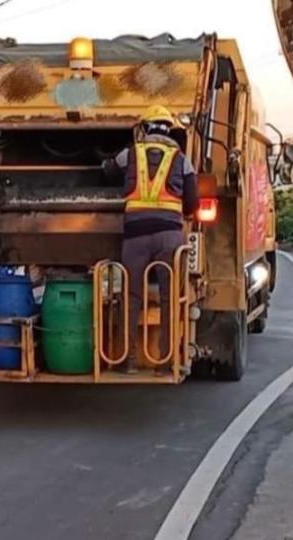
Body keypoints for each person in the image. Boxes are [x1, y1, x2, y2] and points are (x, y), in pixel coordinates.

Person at [105, 105, 199, 374]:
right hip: (169, 237)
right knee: (171, 298)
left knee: (131, 296)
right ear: (169, 129)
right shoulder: (182, 159)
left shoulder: (130, 153)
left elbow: (109, 172)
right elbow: (192, 202)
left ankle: (128, 361)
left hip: (135, 236)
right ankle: (166, 362)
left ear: (144, 128)